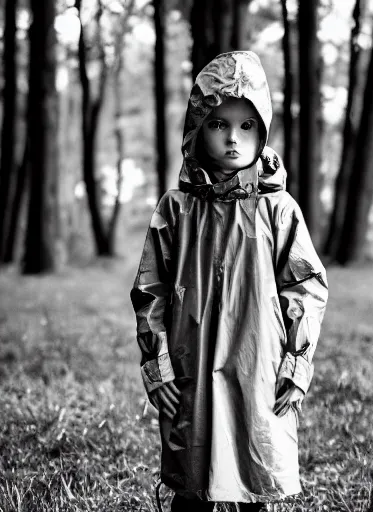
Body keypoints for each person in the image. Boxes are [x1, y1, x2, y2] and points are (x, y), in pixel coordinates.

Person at [130, 51, 328, 512]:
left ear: (263, 130)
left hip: (257, 362)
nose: (234, 139)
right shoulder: (176, 208)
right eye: (219, 124)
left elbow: (305, 288)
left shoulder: (279, 210)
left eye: (247, 126)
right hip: (189, 363)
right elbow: (150, 289)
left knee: (255, 469)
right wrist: (156, 365)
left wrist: (296, 367)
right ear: (198, 128)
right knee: (191, 477)